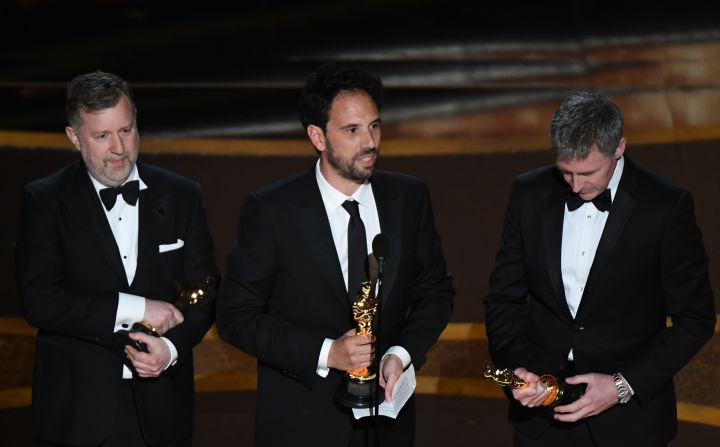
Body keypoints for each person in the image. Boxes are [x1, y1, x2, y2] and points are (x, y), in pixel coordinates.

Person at [216, 63, 454, 446]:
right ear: (318, 136)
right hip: (303, 423)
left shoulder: (408, 198)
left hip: (387, 424)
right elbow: (235, 317)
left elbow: (436, 292)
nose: (370, 142)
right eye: (352, 130)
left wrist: (400, 353)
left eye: (375, 126)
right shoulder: (272, 210)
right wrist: (328, 353)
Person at [484, 91, 716, 446]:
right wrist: (518, 369)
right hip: (541, 419)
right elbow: (503, 297)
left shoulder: (665, 208)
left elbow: (696, 319)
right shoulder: (527, 193)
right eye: (566, 172)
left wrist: (621, 386)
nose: (576, 186)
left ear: (619, 147)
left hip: (629, 423)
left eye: (588, 172)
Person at [15, 70, 218, 447]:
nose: (119, 148)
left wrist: (171, 349)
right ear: (75, 138)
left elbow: (205, 288)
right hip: (77, 415)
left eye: (125, 131)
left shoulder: (181, 194)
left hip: (162, 412)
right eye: (102, 135)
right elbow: (40, 301)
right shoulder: (44, 201)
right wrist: (137, 307)